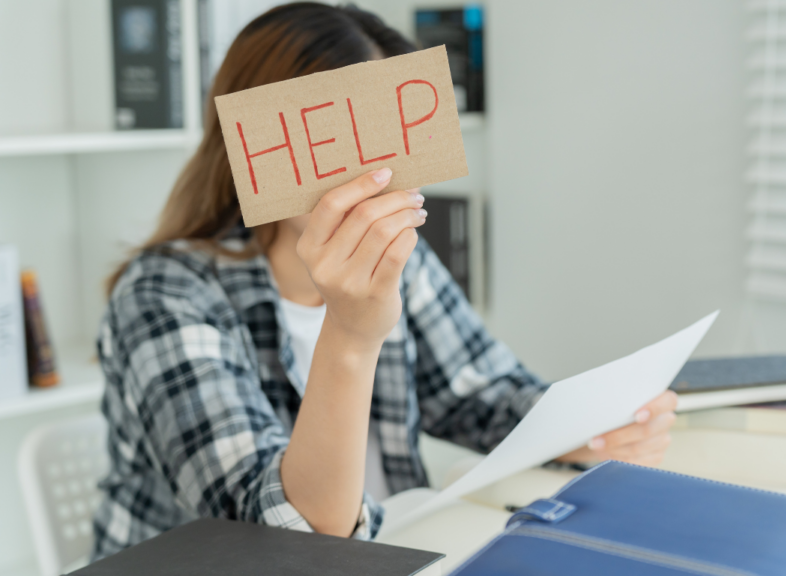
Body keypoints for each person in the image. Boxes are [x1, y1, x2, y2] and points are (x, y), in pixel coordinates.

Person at [91, 2, 677, 559]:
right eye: (334, 138)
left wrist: (587, 429)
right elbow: (289, 540)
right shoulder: (163, 293)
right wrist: (352, 331)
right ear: (256, 148)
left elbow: (483, 395)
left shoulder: (401, 259)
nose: (363, 169)